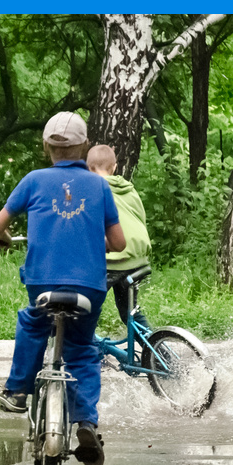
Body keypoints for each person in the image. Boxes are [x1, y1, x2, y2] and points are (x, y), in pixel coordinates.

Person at [0, 112, 126, 465]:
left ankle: (17, 391)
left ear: (46, 146)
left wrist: (0, 239)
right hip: (90, 287)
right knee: (82, 348)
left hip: (43, 283)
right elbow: (119, 241)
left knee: (34, 323)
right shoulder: (99, 187)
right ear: (83, 146)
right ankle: (86, 422)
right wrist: (94, 246)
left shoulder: (33, 180)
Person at [85, 144, 152, 342]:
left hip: (113, 259)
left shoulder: (91, 190)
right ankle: (159, 354)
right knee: (130, 313)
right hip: (138, 259)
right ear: (114, 167)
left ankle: (92, 354)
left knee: (83, 311)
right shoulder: (129, 190)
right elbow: (141, 219)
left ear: (88, 168)